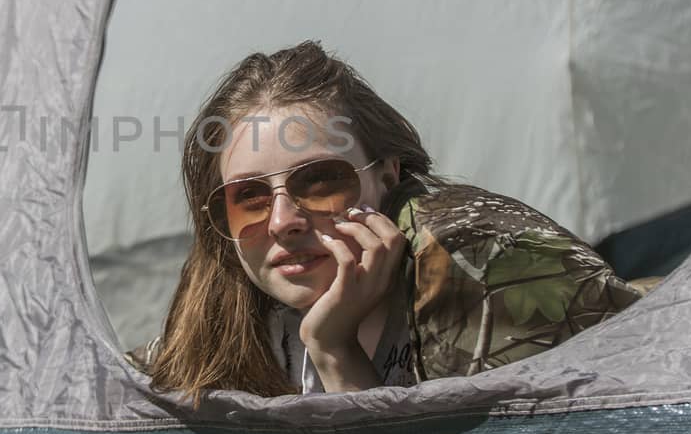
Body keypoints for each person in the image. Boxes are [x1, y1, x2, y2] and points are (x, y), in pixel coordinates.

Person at [135, 41, 644, 398]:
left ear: (387, 175)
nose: (282, 221)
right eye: (248, 197)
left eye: (319, 182)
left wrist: (334, 350)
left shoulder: (475, 263)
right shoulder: (237, 314)